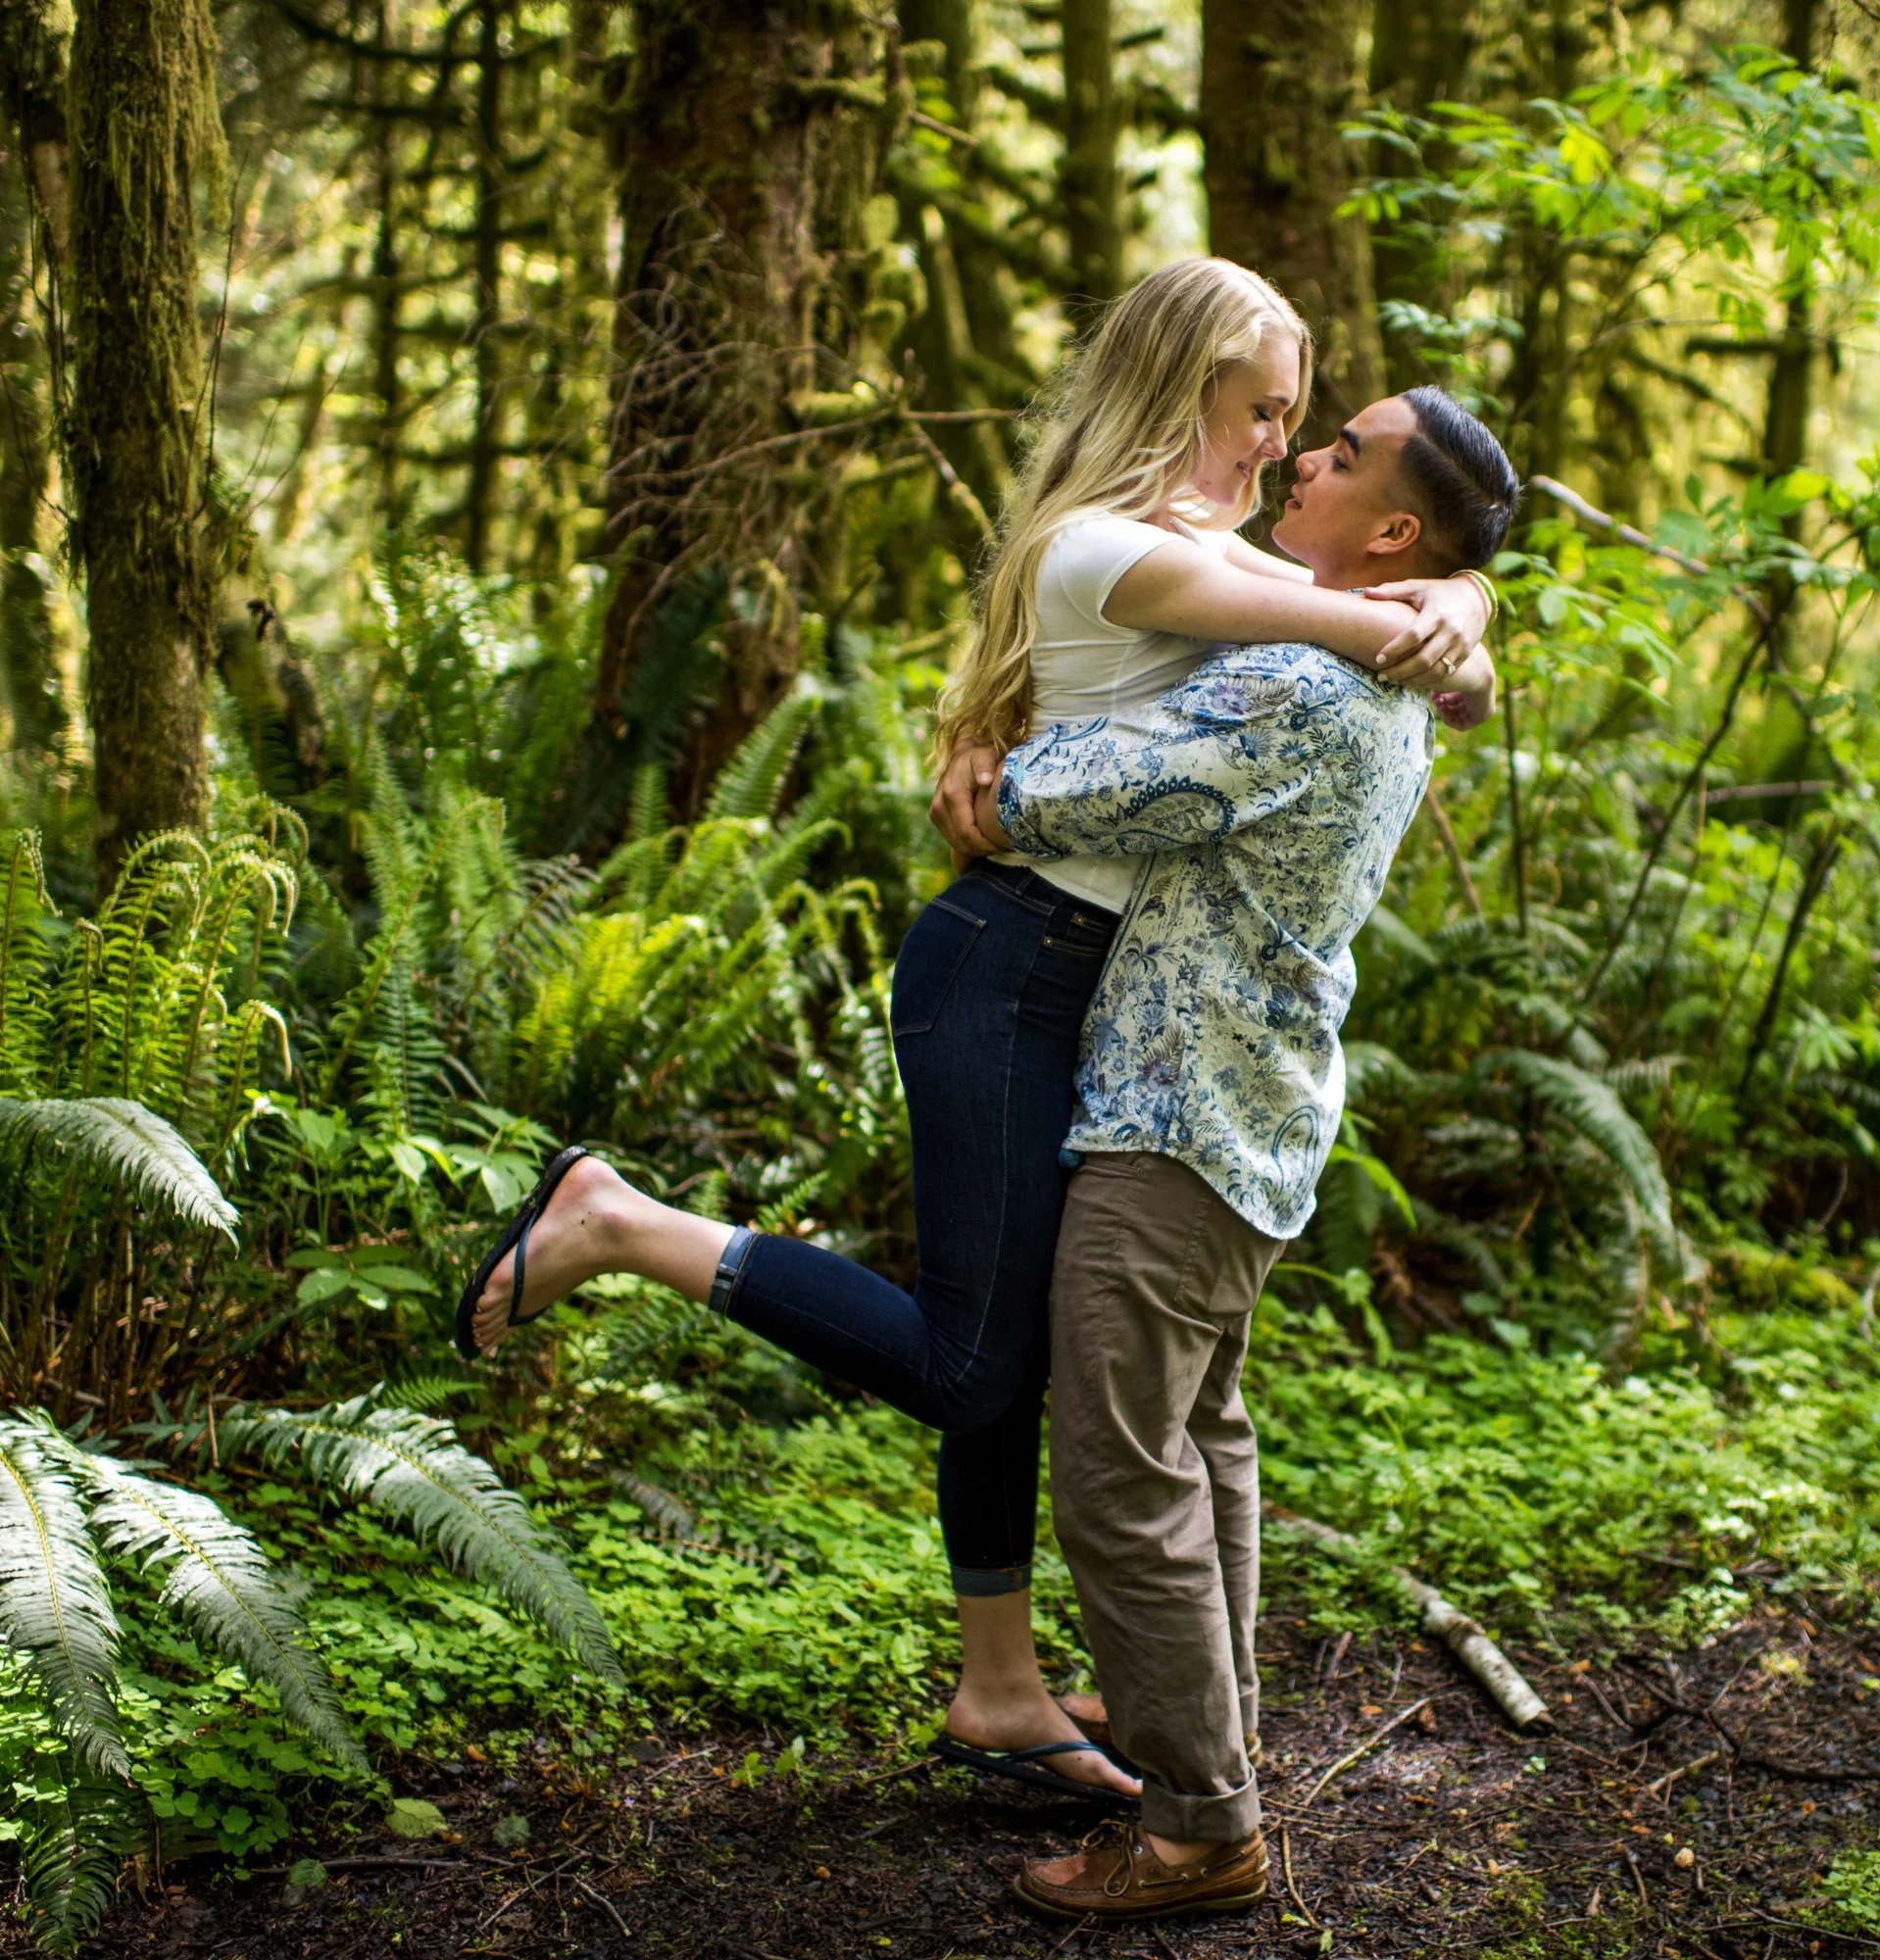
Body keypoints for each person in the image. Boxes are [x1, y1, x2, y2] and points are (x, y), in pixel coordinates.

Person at [452, 259, 1498, 1804]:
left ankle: (1001, 1683)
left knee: (1004, 1356)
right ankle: (619, 1223)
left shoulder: (1212, 534)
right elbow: (1341, 634)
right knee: (969, 1359)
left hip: (1092, 981)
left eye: (1306, 428)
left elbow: (1379, 615)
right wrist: (1447, 615)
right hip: (1011, 960)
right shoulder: (1119, 551)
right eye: (1268, 413)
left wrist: (1465, 598)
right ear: (1183, 387)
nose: (1283, 448)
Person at [936, 386, 1522, 1921]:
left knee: (1124, 1468)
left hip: (1179, 1111)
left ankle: (1200, 1831)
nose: (1302, 458)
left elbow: (1070, 791)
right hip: (1252, 1109)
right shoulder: (1381, 663)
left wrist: (989, 762)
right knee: (1205, 1440)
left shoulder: (1307, 688)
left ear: (1390, 529)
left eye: (1334, 454)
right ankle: (1200, 1738)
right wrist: (1465, 598)